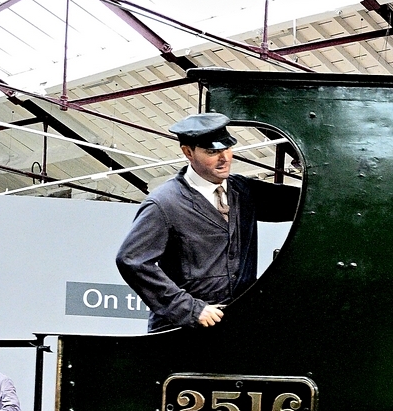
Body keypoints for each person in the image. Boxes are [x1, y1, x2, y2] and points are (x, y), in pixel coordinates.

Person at [116, 113, 299, 332]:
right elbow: (132, 260)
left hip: (237, 329)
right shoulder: (164, 203)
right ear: (188, 152)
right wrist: (189, 309)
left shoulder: (244, 191)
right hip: (183, 333)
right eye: (212, 152)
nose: (225, 158)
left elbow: (305, 202)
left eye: (228, 148)